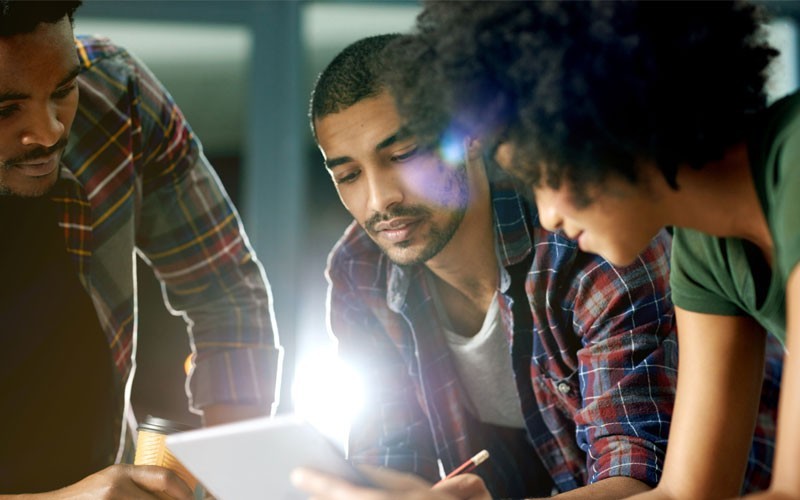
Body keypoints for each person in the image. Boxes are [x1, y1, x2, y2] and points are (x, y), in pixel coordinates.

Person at [369, 1, 792, 499]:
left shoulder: (794, 164)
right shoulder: (702, 252)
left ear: (605, 122)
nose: (547, 216)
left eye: (539, 176)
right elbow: (684, 495)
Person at [297, 34, 706, 500]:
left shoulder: (584, 234)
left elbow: (639, 477)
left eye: (403, 155)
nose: (379, 200)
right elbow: (389, 462)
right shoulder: (359, 270)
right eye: (348, 175)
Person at [0, 1, 280, 497]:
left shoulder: (117, 93)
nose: (49, 132)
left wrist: (234, 479)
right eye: (5, 109)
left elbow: (225, 292)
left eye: (63, 90)